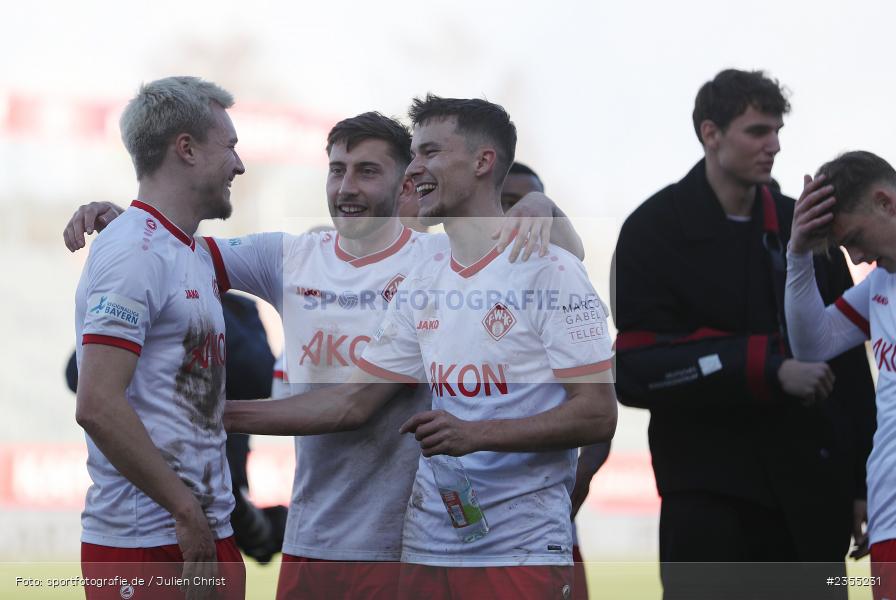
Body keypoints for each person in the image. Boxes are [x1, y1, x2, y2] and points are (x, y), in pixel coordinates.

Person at [65, 109, 584, 599]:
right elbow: (171, 248)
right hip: (309, 540)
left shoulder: (437, 260)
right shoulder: (290, 257)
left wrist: (545, 210)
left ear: (405, 184)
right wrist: (128, 221)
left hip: (402, 544)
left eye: (366, 172)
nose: (346, 188)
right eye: (336, 171)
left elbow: (563, 259)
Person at [224, 95, 618, 600]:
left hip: (517, 548)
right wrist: (221, 414)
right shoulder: (422, 279)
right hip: (427, 545)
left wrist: (477, 433)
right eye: (414, 154)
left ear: (482, 162)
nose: (416, 169)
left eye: (430, 152)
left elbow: (598, 417)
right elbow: (350, 403)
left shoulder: (551, 268)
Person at [613, 69, 876, 600]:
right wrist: (766, 367)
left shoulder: (800, 223)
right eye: (757, 131)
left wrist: (859, 488)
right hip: (708, 503)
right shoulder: (652, 230)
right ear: (710, 133)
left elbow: (849, 368)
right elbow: (636, 372)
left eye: (778, 130)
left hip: (811, 506)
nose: (774, 145)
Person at [72, 76, 246, 600]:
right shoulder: (133, 252)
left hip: (202, 530)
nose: (239, 164)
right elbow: (97, 404)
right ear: (186, 149)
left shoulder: (181, 248)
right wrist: (184, 510)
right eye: (231, 147)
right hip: (147, 541)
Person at [64, 291, 287, 565]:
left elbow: (261, 378)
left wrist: (208, 308)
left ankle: (260, 529)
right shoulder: (150, 298)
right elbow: (78, 376)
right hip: (146, 480)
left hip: (219, 480)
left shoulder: (238, 308)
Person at [785, 150, 896, 600]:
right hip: (890, 518)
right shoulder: (882, 284)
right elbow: (813, 346)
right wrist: (798, 256)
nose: (856, 257)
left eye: (854, 237)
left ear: (885, 202)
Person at [503, 160, 611, 600]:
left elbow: (600, 416)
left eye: (524, 203)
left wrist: (574, 487)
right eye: (503, 203)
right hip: (449, 534)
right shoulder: (446, 282)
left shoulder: (562, 286)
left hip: (543, 528)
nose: (516, 215)